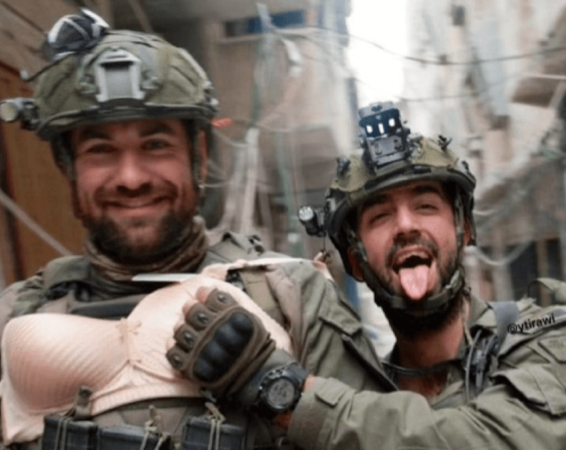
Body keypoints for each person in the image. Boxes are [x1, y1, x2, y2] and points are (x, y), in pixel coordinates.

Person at [0, 11, 388, 450]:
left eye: (156, 145)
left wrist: (272, 382)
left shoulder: (290, 295)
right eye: (100, 150)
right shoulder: (19, 311)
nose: (131, 177)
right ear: (68, 168)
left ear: (198, 156)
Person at [170, 103, 566, 449]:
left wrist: (280, 391)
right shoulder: (355, 384)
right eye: (380, 216)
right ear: (355, 262)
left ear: (463, 229)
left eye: (426, 205)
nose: (405, 226)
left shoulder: (541, 332)